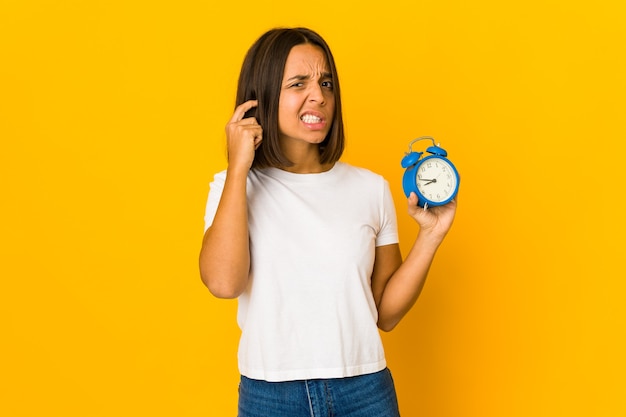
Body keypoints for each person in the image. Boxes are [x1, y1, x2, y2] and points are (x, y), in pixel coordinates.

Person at [199, 27, 457, 417]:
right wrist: (238, 168)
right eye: (298, 83)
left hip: (365, 390)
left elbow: (385, 313)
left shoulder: (370, 189)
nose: (318, 95)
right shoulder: (232, 188)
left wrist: (431, 235)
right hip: (270, 396)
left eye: (326, 83)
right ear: (261, 96)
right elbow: (222, 282)